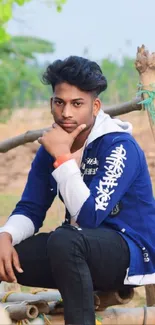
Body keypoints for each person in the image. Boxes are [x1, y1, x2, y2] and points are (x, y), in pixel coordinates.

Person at [0, 56, 155, 325]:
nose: (66, 113)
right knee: (10, 251)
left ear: (95, 106)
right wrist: (6, 236)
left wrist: (62, 157)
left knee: (66, 239)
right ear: (51, 104)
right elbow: (31, 208)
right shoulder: (51, 148)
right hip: (75, 251)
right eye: (60, 102)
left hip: (130, 253)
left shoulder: (119, 147)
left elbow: (90, 217)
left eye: (77, 104)